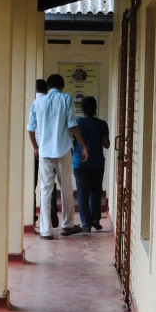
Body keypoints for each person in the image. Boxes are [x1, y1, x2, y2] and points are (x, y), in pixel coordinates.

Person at [27, 73, 88, 240]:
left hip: (44, 152)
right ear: (61, 87)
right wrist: (83, 145)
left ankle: (46, 231)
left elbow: (30, 128)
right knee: (66, 188)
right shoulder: (65, 98)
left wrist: (35, 147)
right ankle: (67, 225)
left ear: (48, 87)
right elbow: (72, 125)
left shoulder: (38, 102)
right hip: (62, 150)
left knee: (46, 190)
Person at [72, 96, 109, 232]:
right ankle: (95, 219)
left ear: (82, 109)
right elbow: (106, 144)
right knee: (96, 191)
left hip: (79, 163)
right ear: (95, 108)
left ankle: (86, 224)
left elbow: (71, 142)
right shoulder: (101, 124)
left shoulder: (76, 123)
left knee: (82, 193)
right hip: (97, 163)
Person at [33, 79, 59, 229]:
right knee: (49, 183)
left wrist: (34, 147)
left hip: (34, 149)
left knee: (34, 185)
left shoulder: (33, 103)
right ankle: (51, 214)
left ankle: (33, 216)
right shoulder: (50, 103)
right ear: (47, 89)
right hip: (48, 148)